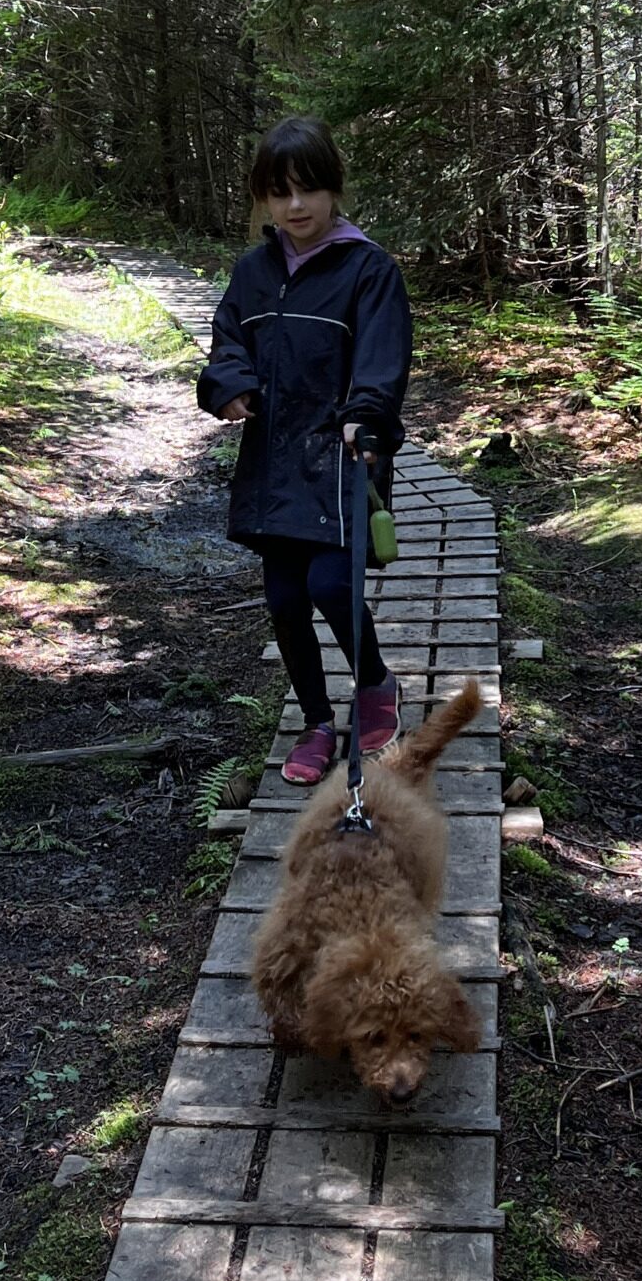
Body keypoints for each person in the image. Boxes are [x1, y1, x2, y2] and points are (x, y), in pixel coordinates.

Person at [197, 116, 412, 785]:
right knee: (285, 598)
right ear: (262, 197)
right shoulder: (253, 272)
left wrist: (365, 416)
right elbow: (228, 341)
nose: (296, 206)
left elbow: (382, 358)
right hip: (273, 457)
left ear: (333, 190)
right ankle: (317, 722)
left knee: (330, 582)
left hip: (345, 456)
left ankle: (374, 682)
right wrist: (229, 387)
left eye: (309, 190)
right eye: (279, 192)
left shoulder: (368, 268)